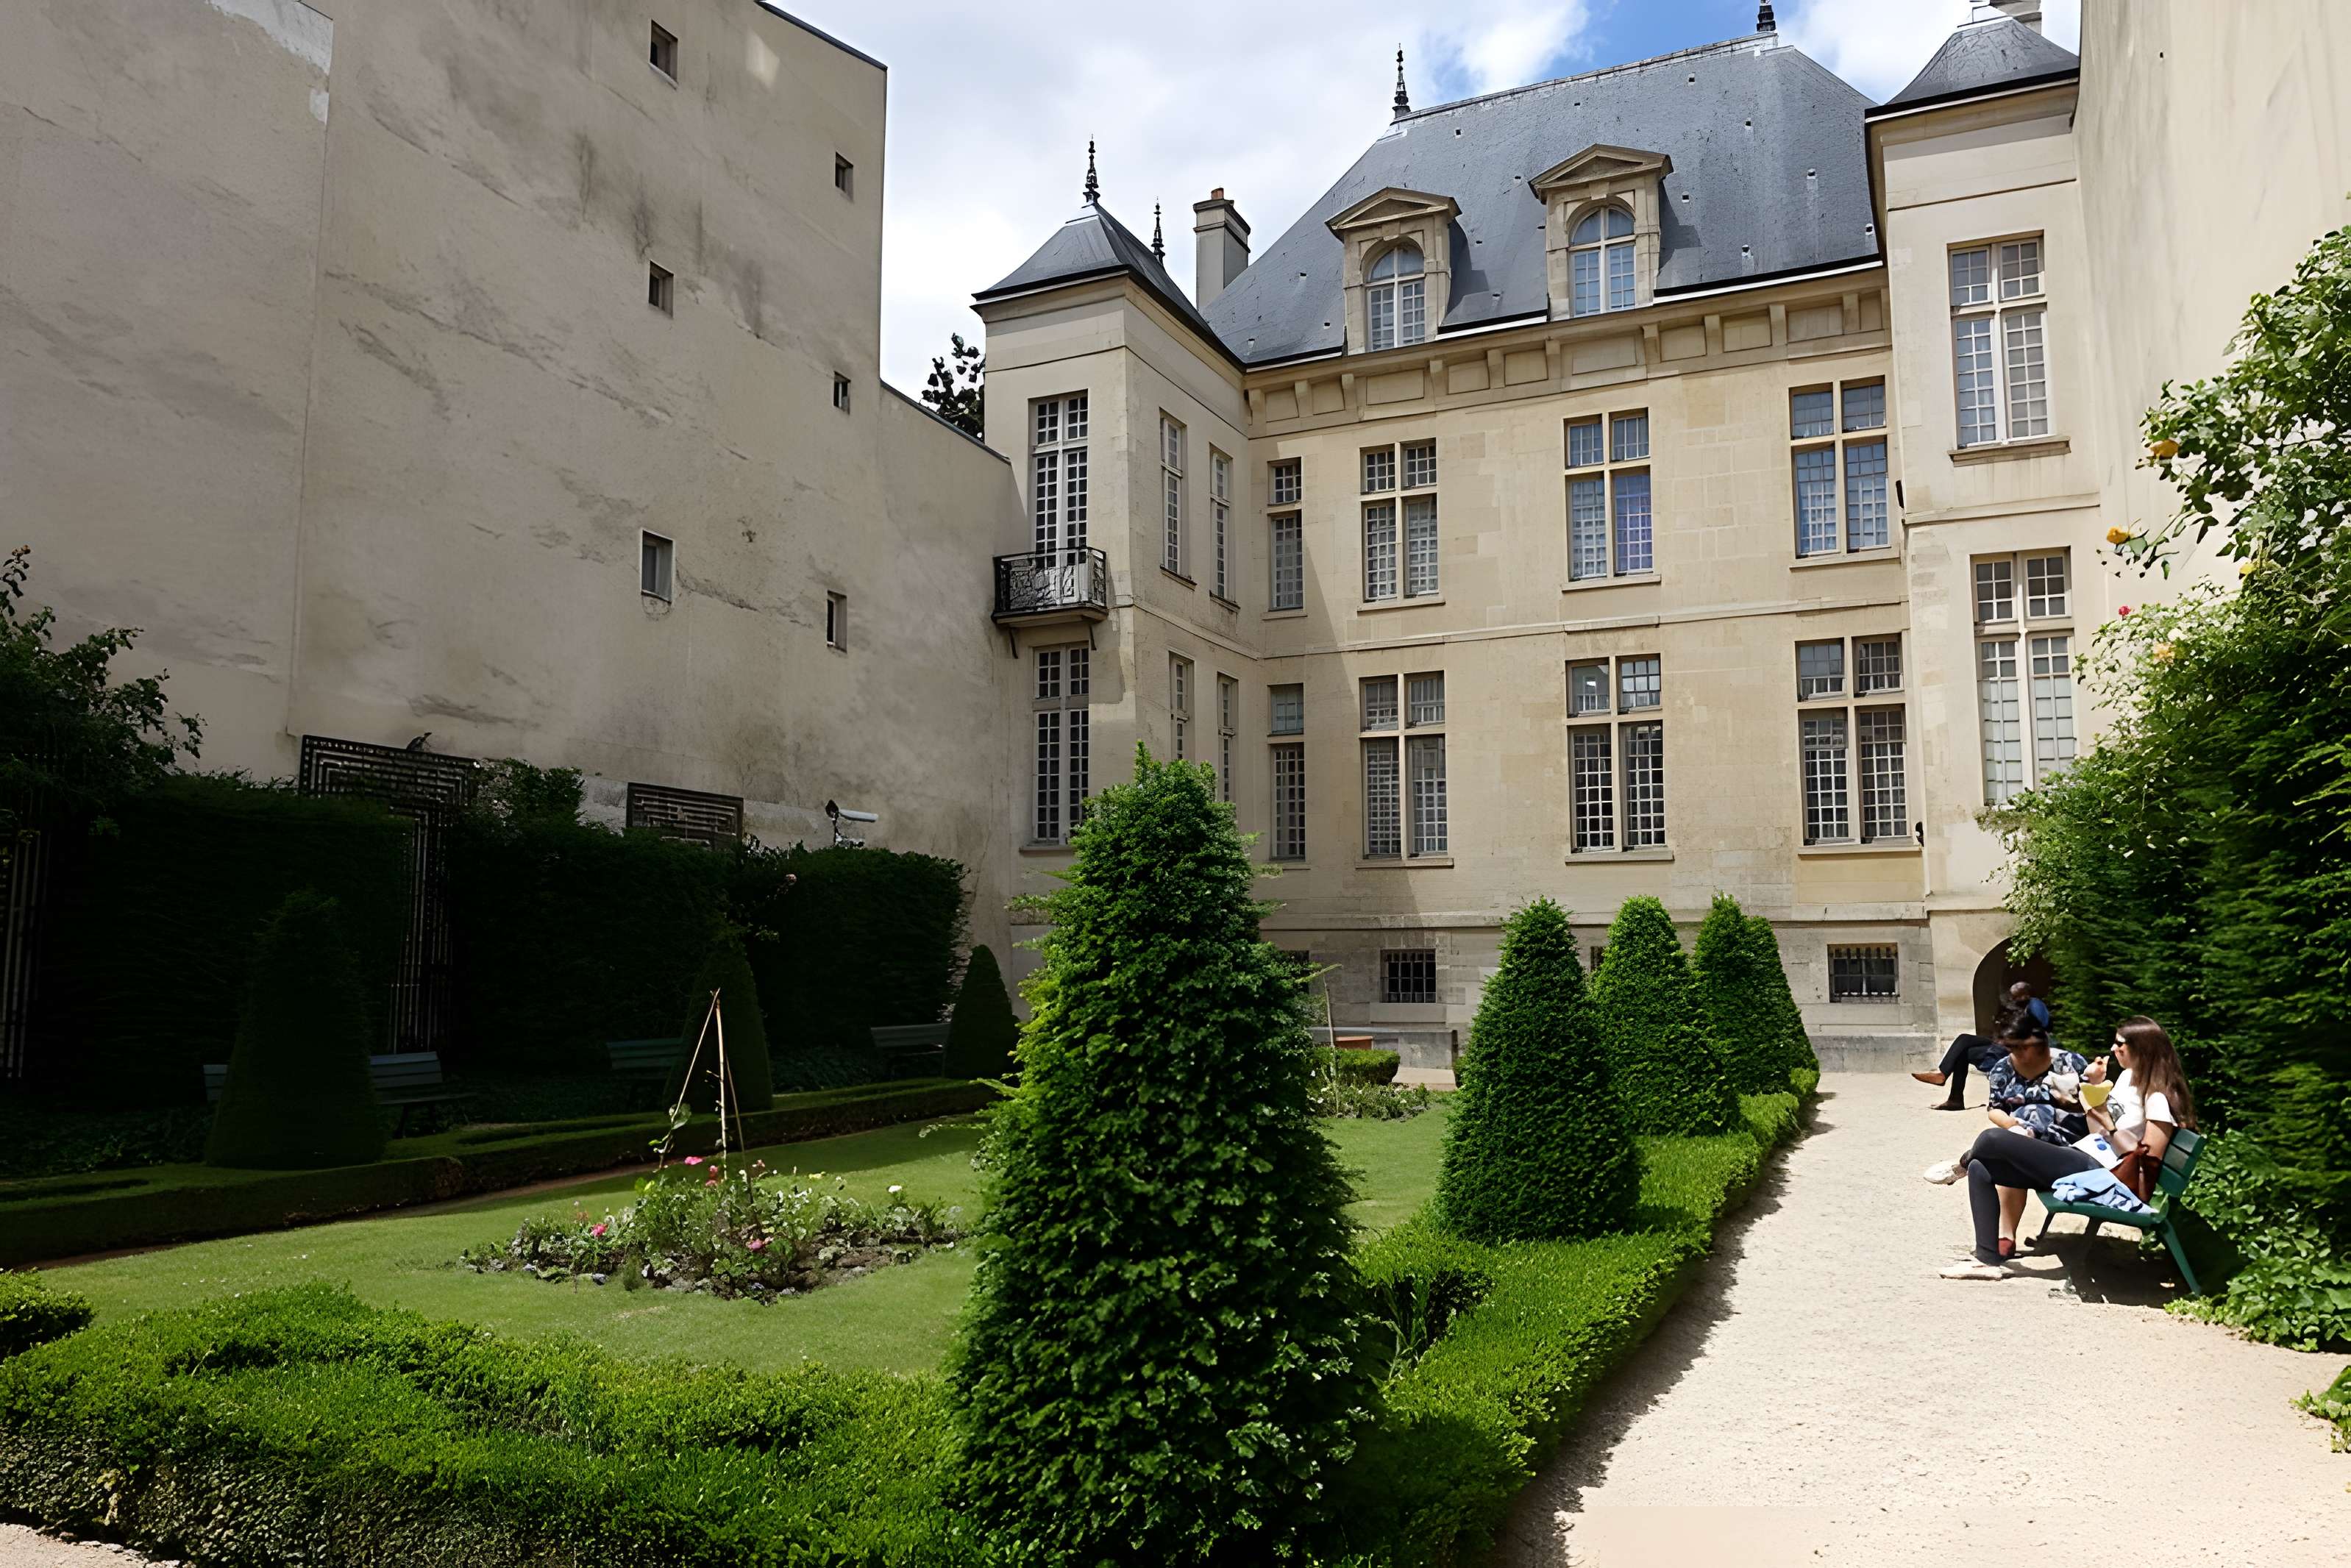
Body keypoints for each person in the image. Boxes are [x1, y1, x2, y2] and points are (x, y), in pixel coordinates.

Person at [1929, 1015, 2195, 1280]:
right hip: (2086, 1154)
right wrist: (2090, 1094)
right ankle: (1986, 1261)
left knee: (1992, 1139)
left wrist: (2108, 1122)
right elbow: (2097, 1131)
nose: (2113, 1049)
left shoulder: (2158, 1098)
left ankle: (1960, 1166)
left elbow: (2148, 1159)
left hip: (2105, 1172)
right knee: (1982, 1167)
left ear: (2142, 1048)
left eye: (2120, 1044)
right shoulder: (2127, 1078)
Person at [1912, 982, 2052, 1109]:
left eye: (2016, 994)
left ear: (2025, 994)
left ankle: (1953, 1095)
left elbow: (2040, 1026)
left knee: (1964, 1052)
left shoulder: (2035, 1004)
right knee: (1964, 1039)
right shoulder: (2019, 1007)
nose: (2012, 998)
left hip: (2011, 1050)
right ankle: (1945, 1079)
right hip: (2002, 1045)